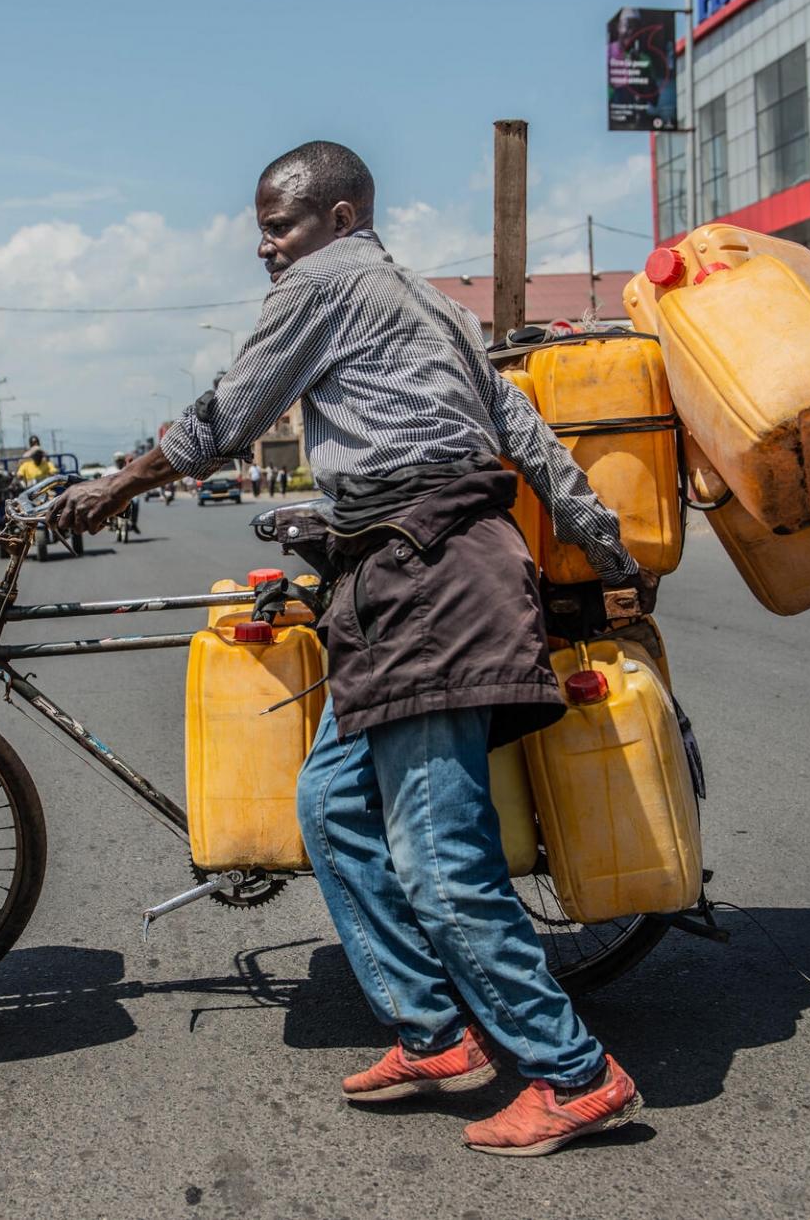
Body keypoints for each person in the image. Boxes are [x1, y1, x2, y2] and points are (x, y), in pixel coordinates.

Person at [51, 140, 657, 1157]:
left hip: (430, 587)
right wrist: (610, 547)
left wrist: (110, 488)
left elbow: (225, 417)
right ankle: (433, 1033)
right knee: (329, 804)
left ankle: (574, 1072)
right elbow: (528, 434)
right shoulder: (433, 307)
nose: (265, 247)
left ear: (338, 219)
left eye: (278, 225)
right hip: (397, 585)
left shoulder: (324, 288)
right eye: (261, 229)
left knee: (438, 858)